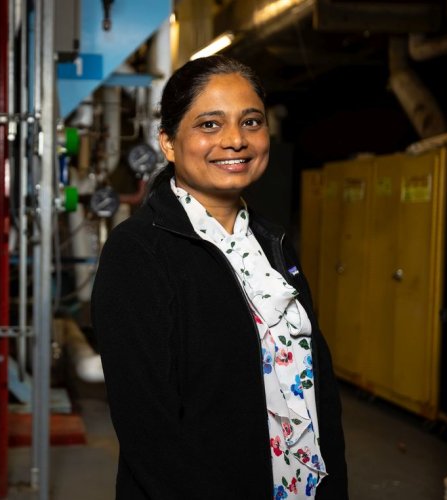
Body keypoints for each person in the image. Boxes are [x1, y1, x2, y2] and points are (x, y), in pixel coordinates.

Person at [91, 55, 348, 499]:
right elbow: (147, 428)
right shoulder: (139, 252)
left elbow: (317, 388)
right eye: (209, 125)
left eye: (251, 122)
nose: (235, 140)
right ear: (168, 143)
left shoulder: (272, 243)